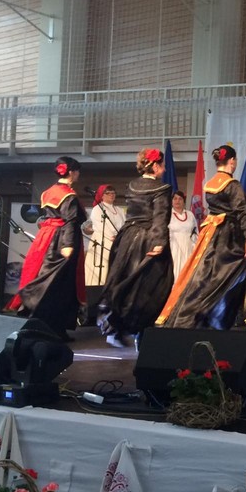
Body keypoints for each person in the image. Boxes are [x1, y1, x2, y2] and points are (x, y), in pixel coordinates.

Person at [156, 145, 246, 329]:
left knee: (202, 277)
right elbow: (243, 212)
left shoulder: (210, 184)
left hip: (210, 233)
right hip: (228, 236)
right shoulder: (232, 185)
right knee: (227, 277)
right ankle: (217, 318)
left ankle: (190, 317)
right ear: (232, 161)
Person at [97, 148, 174, 347]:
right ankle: (139, 330)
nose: (165, 169)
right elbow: (160, 218)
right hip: (148, 239)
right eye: (162, 165)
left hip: (128, 237)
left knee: (126, 281)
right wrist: (159, 242)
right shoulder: (162, 188)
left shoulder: (132, 185)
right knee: (153, 285)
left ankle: (117, 326)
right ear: (155, 166)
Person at [7, 156, 86, 339]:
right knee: (60, 285)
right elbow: (69, 221)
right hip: (62, 240)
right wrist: (68, 245)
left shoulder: (49, 192)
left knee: (45, 278)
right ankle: (52, 329)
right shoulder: (68, 195)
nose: (78, 174)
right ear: (71, 172)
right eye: (77, 171)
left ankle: (47, 326)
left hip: (46, 238)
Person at [84, 185, 124, 287]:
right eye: (108, 193)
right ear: (101, 195)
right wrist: (112, 237)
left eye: (113, 193)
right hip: (103, 240)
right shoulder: (98, 209)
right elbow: (101, 226)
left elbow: (124, 225)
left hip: (117, 241)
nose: (111, 195)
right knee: (102, 267)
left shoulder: (119, 210)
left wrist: (121, 237)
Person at [168, 190, 198, 279]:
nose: (177, 201)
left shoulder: (190, 214)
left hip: (189, 247)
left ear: (184, 201)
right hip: (174, 248)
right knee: (175, 273)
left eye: (180, 199)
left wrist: (195, 247)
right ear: (171, 201)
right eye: (175, 199)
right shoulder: (168, 215)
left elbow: (195, 231)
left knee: (189, 273)